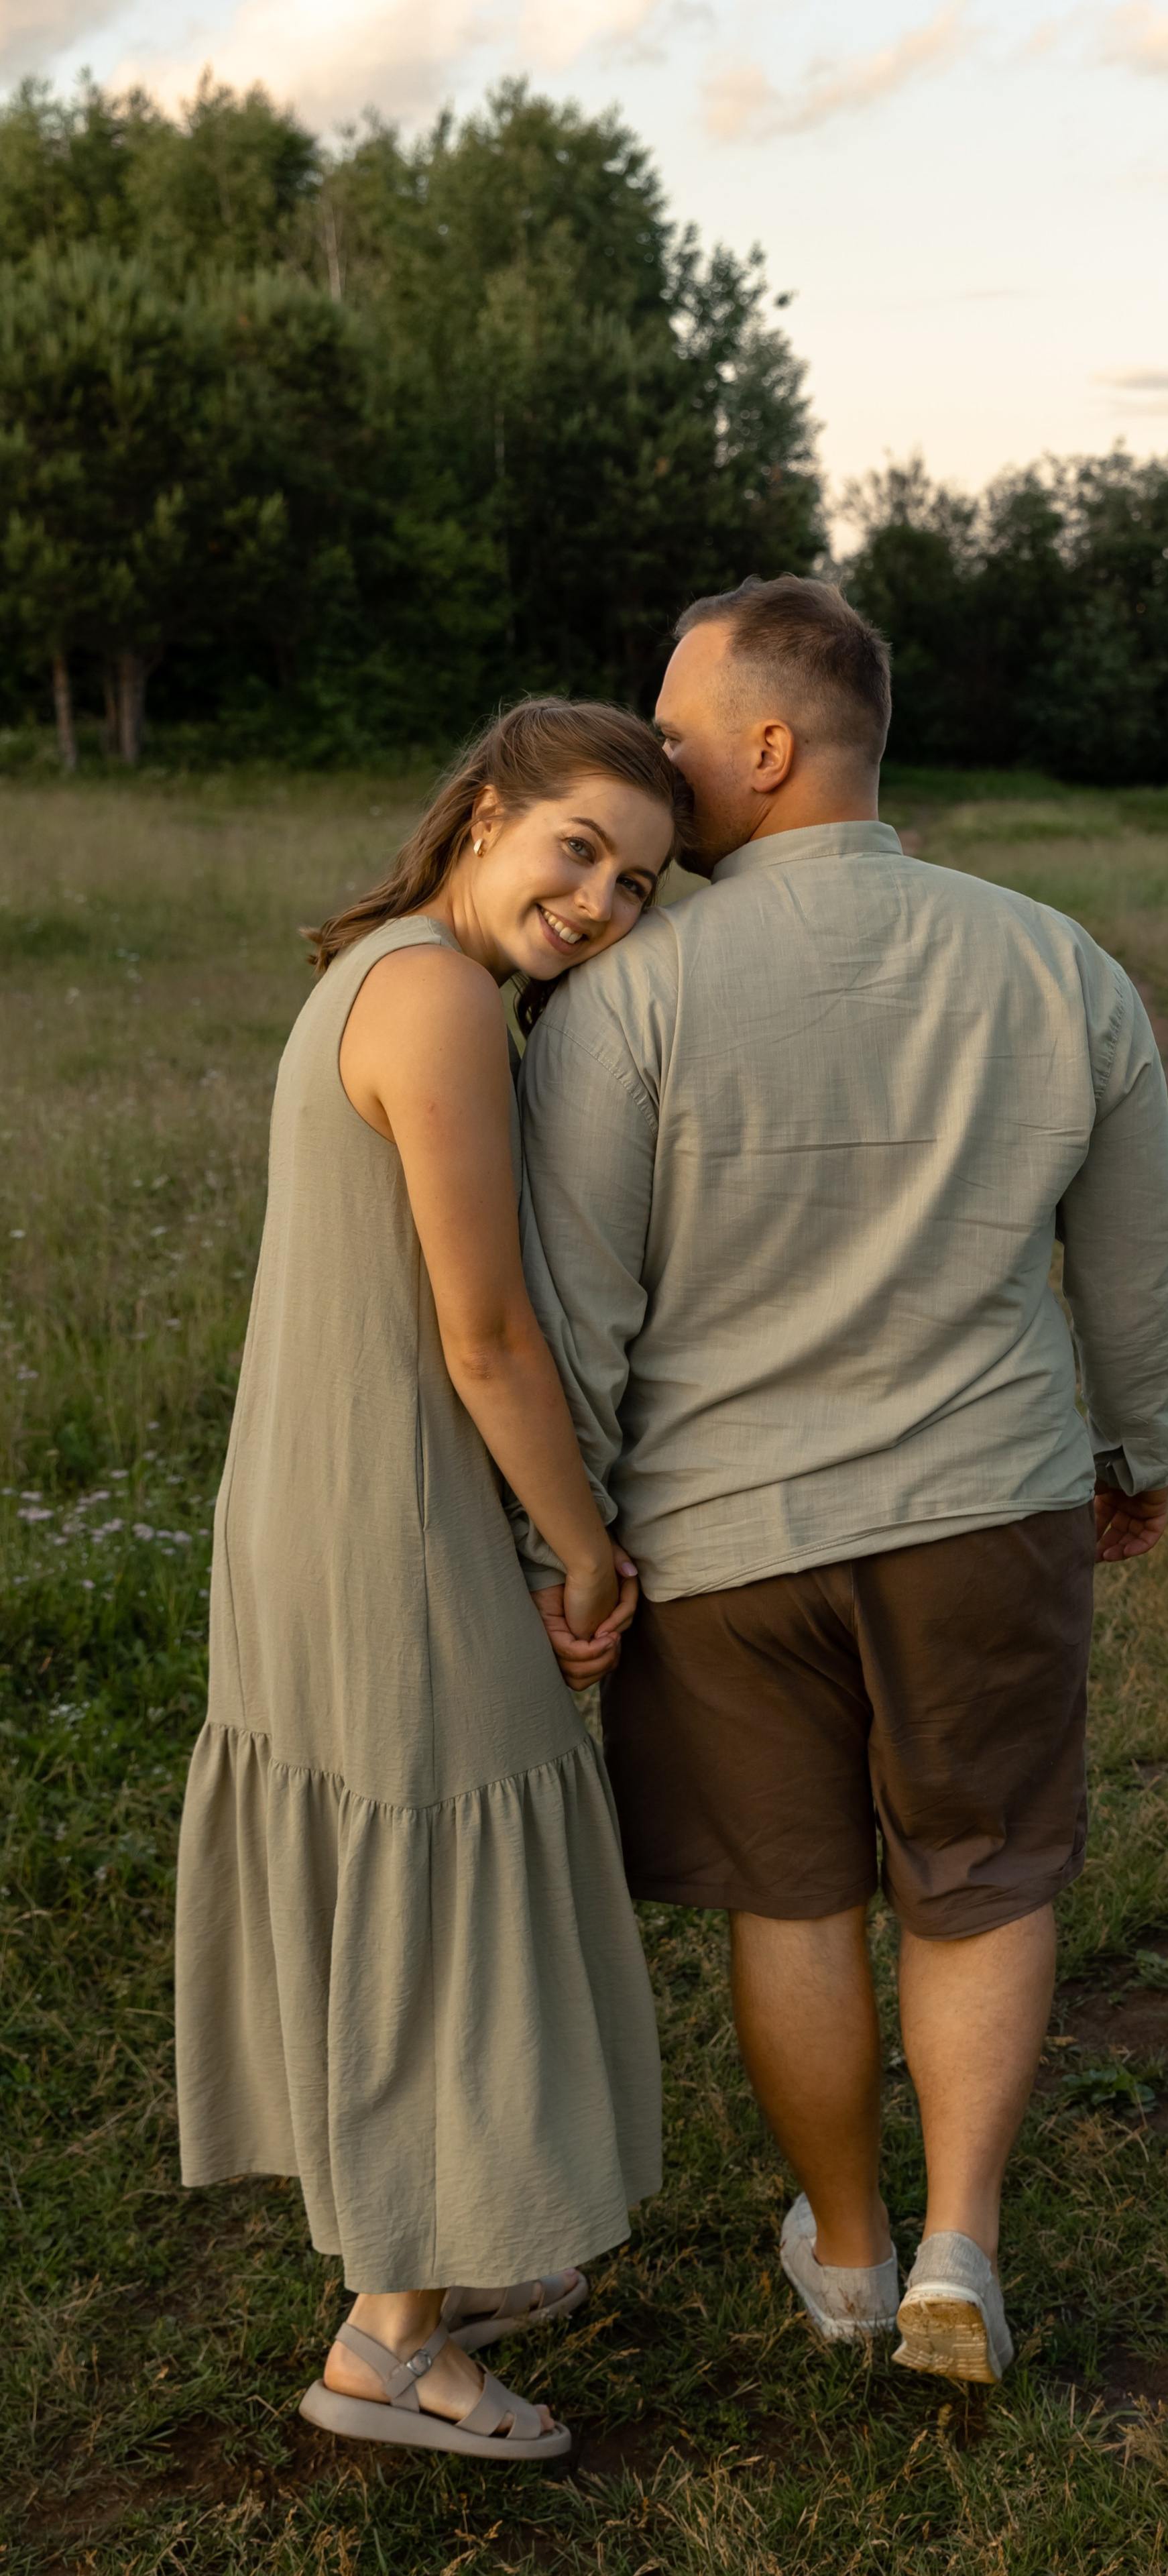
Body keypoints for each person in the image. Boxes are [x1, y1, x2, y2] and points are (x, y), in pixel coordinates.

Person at [514, 579, 1168, 2387]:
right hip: (988, 1512)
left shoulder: (627, 991)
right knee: (983, 1873)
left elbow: (577, 1303)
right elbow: (1145, 1249)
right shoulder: (1054, 960)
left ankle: (845, 2247)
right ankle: (962, 2245)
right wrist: (1140, 1445)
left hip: (720, 1542)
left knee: (794, 1898)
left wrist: (569, 1543)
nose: (656, 759)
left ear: (767, 747)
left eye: (677, 732)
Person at [174, 700, 682, 2462]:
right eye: (578, 850)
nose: (601, 902)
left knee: (413, 1868)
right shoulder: (443, 998)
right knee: (446, 1883)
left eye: (639, 882)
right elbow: (485, 1338)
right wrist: (588, 1549)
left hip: (317, 1488)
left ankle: (433, 2257)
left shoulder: (381, 967)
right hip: (387, 1508)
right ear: (482, 815)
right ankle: (389, 2344)